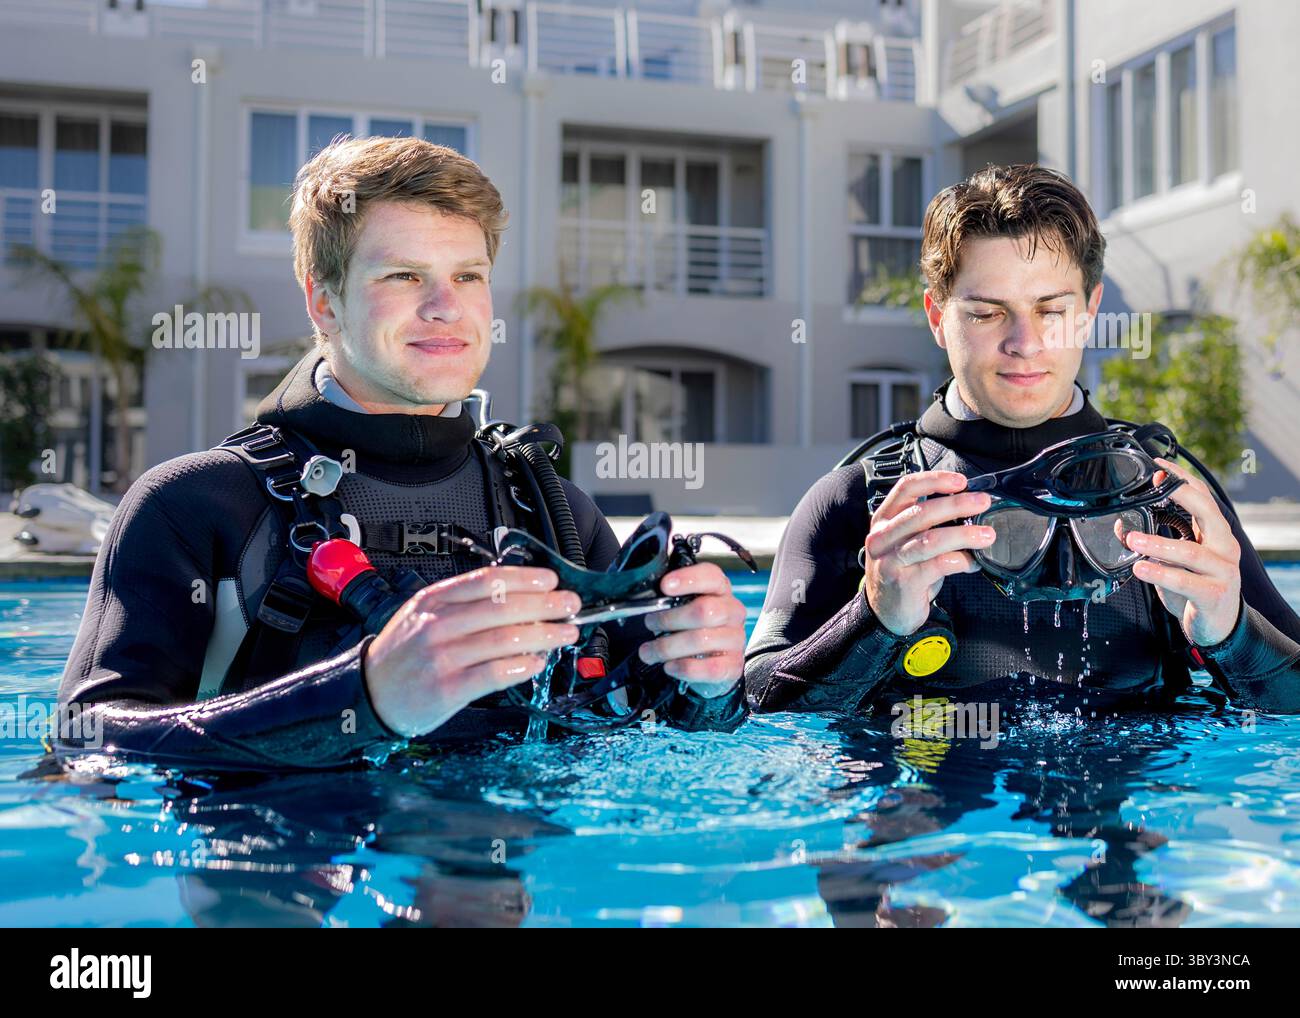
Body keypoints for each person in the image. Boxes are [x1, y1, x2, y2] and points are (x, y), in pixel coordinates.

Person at [55, 135, 748, 772]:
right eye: (404, 276)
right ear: (324, 302)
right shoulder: (195, 506)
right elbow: (85, 742)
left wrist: (708, 683)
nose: (447, 306)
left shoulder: (554, 512)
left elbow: (669, 741)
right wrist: (362, 699)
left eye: (469, 276)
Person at [745, 163, 1300, 717]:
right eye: (987, 313)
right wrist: (873, 619)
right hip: (924, 798)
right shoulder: (853, 505)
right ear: (938, 317)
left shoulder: (1169, 503)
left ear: (1088, 314)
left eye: (1051, 310)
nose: (1024, 343)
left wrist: (1232, 633)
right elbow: (751, 703)